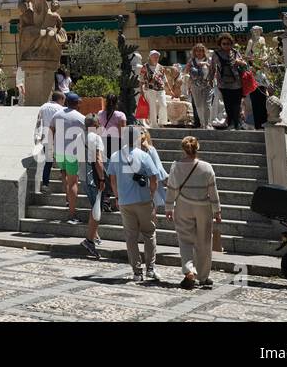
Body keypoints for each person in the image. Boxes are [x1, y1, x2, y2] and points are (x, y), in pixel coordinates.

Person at [166, 135, 222, 289]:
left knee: (185, 240)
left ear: (183, 149)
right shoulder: (207, 167)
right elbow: (213, 191)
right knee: (204, 242)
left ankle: (189, 270)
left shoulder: (176, 166)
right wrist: (217, 211)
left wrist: (169, 207)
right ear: (198, 148)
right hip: (203, 207)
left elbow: (171, 188)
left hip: (183, 205)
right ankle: (203, 276)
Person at [107, 132, 162, 283]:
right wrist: (152, 194)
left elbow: (112, 180)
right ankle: (150, 268)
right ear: (137, 139)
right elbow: (154, 177)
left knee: (131, 237)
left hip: (125, 201)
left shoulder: (115, 156)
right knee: (149, 233)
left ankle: (137, 272)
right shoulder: (143, 155)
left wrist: (117, 197)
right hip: (143, 199)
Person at [56, 92, 87, 224]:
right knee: (73, 182)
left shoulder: (57, 114)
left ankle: (68, 198)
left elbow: (51, 130)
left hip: (58, 151)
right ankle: (72, 214)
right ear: (77, 103)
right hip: (72, 152)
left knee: (64, 174)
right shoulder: (81, 118)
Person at [80, 115, 107, 258]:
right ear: (96, 125)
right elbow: (98, 160)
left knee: (94, 206)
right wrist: (102, 178)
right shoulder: (96, 138)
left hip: (83, 176)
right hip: (93, 178)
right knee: (97, 208)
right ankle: (89, 240)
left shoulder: (80, 136)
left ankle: (94, 235)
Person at [207, 33, 246, 129]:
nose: (226, 45)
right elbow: (212, 68)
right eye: (224, 43)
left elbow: (244, 65)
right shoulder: (216, 54)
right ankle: (231, 123)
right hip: (223, 84)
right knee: (228, 105)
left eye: (228, 43)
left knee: (237, 105)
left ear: (231, 43)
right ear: (220, 44)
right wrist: (210, 79)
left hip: (237, 83)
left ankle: (237, 124)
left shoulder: (235, 52)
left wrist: (240, 62)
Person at [95, 93, 126, 209]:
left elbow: (98, 128)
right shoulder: (120, 115)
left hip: (103, 143)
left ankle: (106, 198)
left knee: (106, 170)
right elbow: (123, 133)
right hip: (116, 143)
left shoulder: (100, 114)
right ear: (117, 102)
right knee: (116, 170)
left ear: (106, 101)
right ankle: (118, 196)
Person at [34, 90, 65, 193]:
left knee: (48, 162)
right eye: (63, 100)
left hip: (46, 138)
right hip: (57, 137)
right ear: (60, 99)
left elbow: (39, 123)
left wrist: (37, 137)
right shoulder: (61, 109)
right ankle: (62, 176)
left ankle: (45, 184)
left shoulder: (43, 107)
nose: (64, 102)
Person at [187, 43, 212, 129]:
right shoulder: (191, 61)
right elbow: (186, 72)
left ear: (204, 51)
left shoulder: (209, 59)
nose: (199, 52)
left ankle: (208, 123)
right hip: (195, 85)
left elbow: (214, 70)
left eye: (201, 51)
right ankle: (202, 123)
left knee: (207, 104)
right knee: (198, 105)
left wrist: (206, 64)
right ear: (194, 52)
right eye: (197, 51)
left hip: (207, 84)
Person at [141, 50, 167, 127]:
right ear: (150, 57)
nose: (156, 58)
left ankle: (162, 122)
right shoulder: (145, 67)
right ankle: (154, 124)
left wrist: (170, 90)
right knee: (152, 107)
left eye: (157, 57)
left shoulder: (161, 67)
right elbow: (141, 79)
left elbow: (164, 79)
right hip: (149, 89)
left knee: (163, 104)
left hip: (160, 88)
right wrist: (141, 91)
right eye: (154, 56)